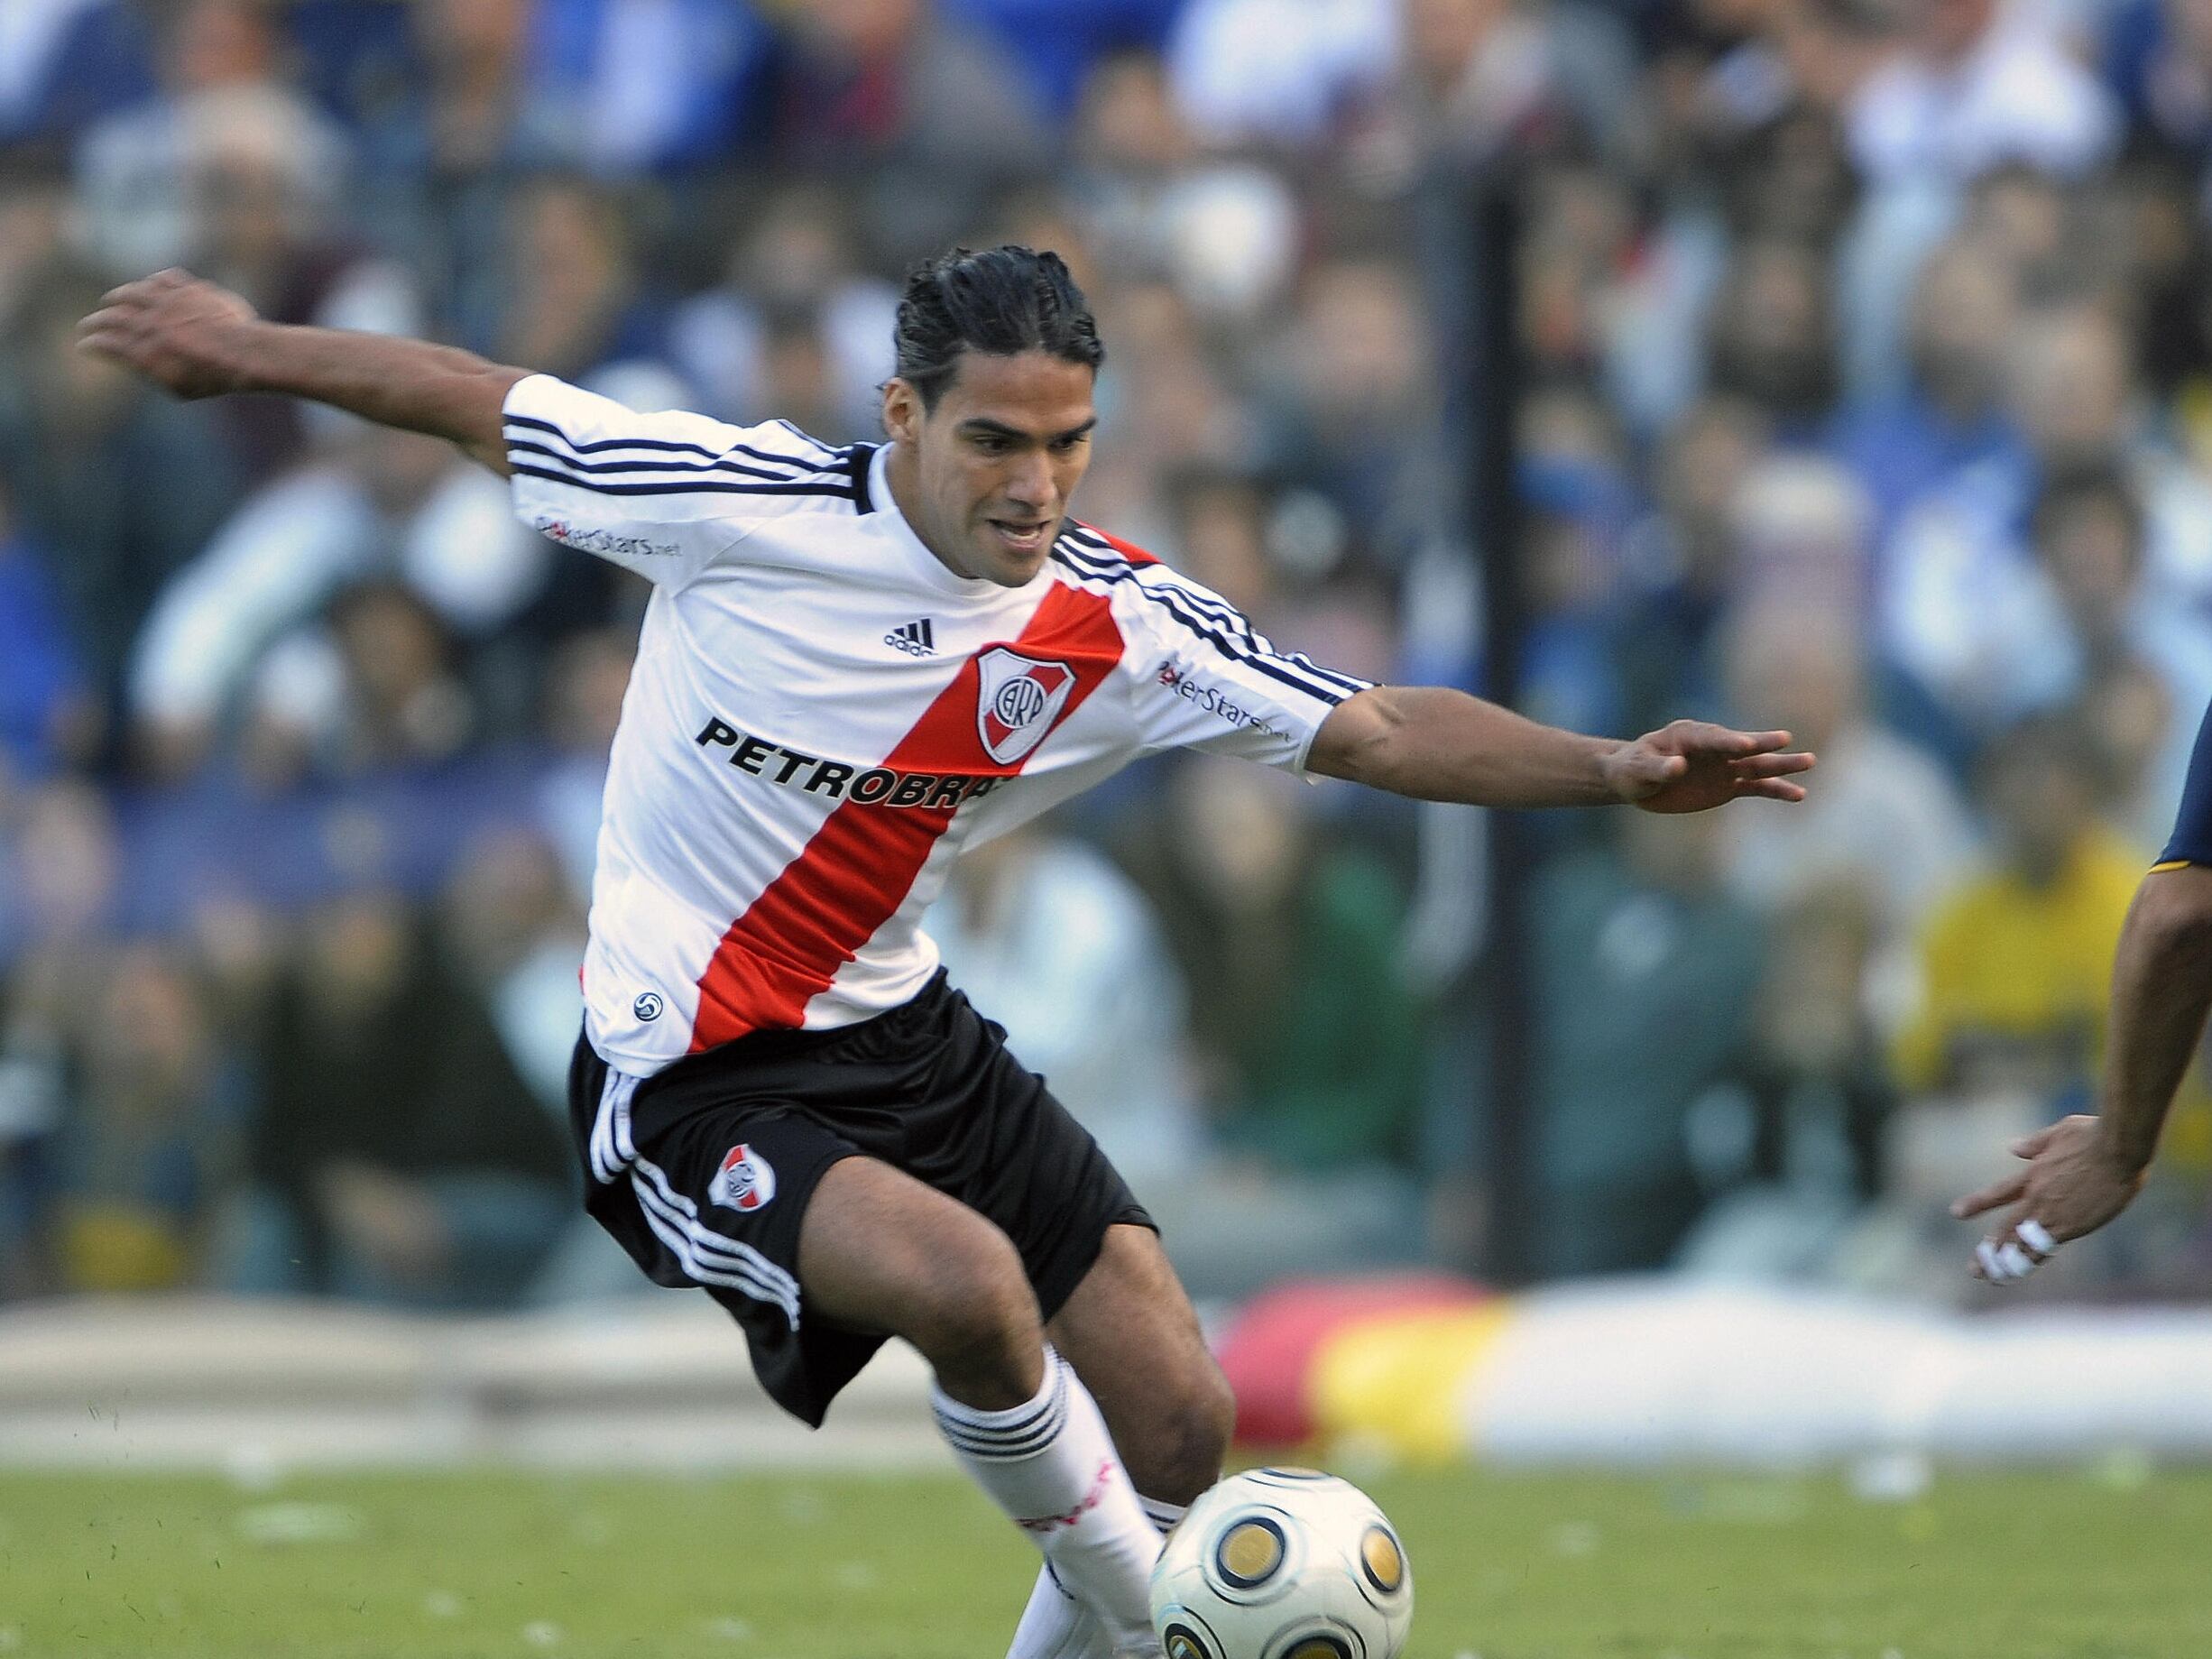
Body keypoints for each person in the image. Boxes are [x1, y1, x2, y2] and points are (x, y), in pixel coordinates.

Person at [78, 249, 1813, 1659]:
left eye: (1068, 442)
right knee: (973, 1290)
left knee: (1182, 1418)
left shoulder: (1113, 617)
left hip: (906, 1032)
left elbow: (1370, 723)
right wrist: (251, 349)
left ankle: (1149, 1614)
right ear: (900, 415)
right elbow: (474, 396)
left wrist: (1608, 766)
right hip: (692, 1072)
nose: (1035, 483)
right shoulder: (733, 502)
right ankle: (1185, 1624)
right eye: (994, 439)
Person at [1953, 699, 2212, 1286]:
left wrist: (2120, 1150)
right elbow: (1928, 1060)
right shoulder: (1960, 913)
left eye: (2048, 777)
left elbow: (2179, 922)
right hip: (2019, 1143)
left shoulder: (2123, 894)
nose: (2031, 797)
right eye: (2015, 777)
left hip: (2161, 1170)